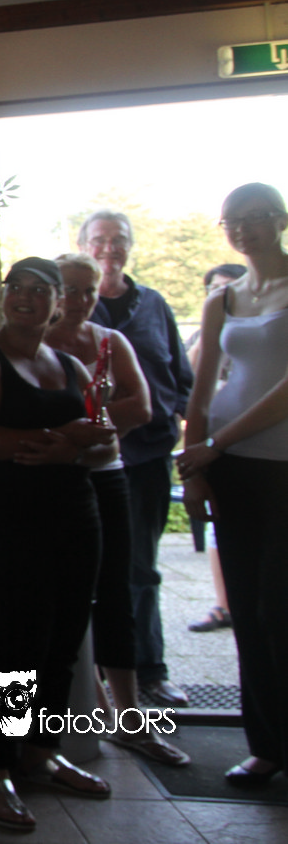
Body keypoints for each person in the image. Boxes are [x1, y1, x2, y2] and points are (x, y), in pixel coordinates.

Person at [0, 257, 117, 831]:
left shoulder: (69, 364)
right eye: (16, 287)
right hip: (9, 523)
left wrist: (78, 446)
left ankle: (43, 753)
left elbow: (102, 445)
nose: (24, 297)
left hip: (76, 516)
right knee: (17, 650)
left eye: (39, 289)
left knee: (63, 644)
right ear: (4, 296)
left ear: (58, 301)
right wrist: (62, 438)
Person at [44, 254, 188, 767]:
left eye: (88, 290)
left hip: (107, 476)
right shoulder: (32, 345)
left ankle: (130, 717)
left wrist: (81, 428)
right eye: (70, 289)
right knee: (54, 600)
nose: (80, 300)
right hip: (47, 484)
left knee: (117, 591)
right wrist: (93, 425)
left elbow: (142, 407)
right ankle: (63, 724)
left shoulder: (110, 341)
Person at [175, 183, 288, 790]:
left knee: (279, 606)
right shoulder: (223, 297)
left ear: (280, 221)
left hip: (280, 465)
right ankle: (265, 745)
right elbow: (200, 391)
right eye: (232, 220)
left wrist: (216, 443)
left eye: (255, 216)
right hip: (231, 465)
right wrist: (198, 466)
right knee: (246, 607)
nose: (243, 228)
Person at [80, 209, 193, 707]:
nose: (110, 248)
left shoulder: (154, 305)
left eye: (119, 239)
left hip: (146, 457)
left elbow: (179, 379)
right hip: (86, 464)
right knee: (89, 572)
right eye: (99, 239)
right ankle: (93, 681)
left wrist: (185, 430)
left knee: (141, 569)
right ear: (83, 245)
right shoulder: (67, 314)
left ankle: (148, 673)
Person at [186, 263, 245, 634]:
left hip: (250, 443)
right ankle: (225, 605)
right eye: (213, 288)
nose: (220, 293)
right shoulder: (209, 327)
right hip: (217, 445)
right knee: (219, 530)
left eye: (227, 287)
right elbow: (195, 383)